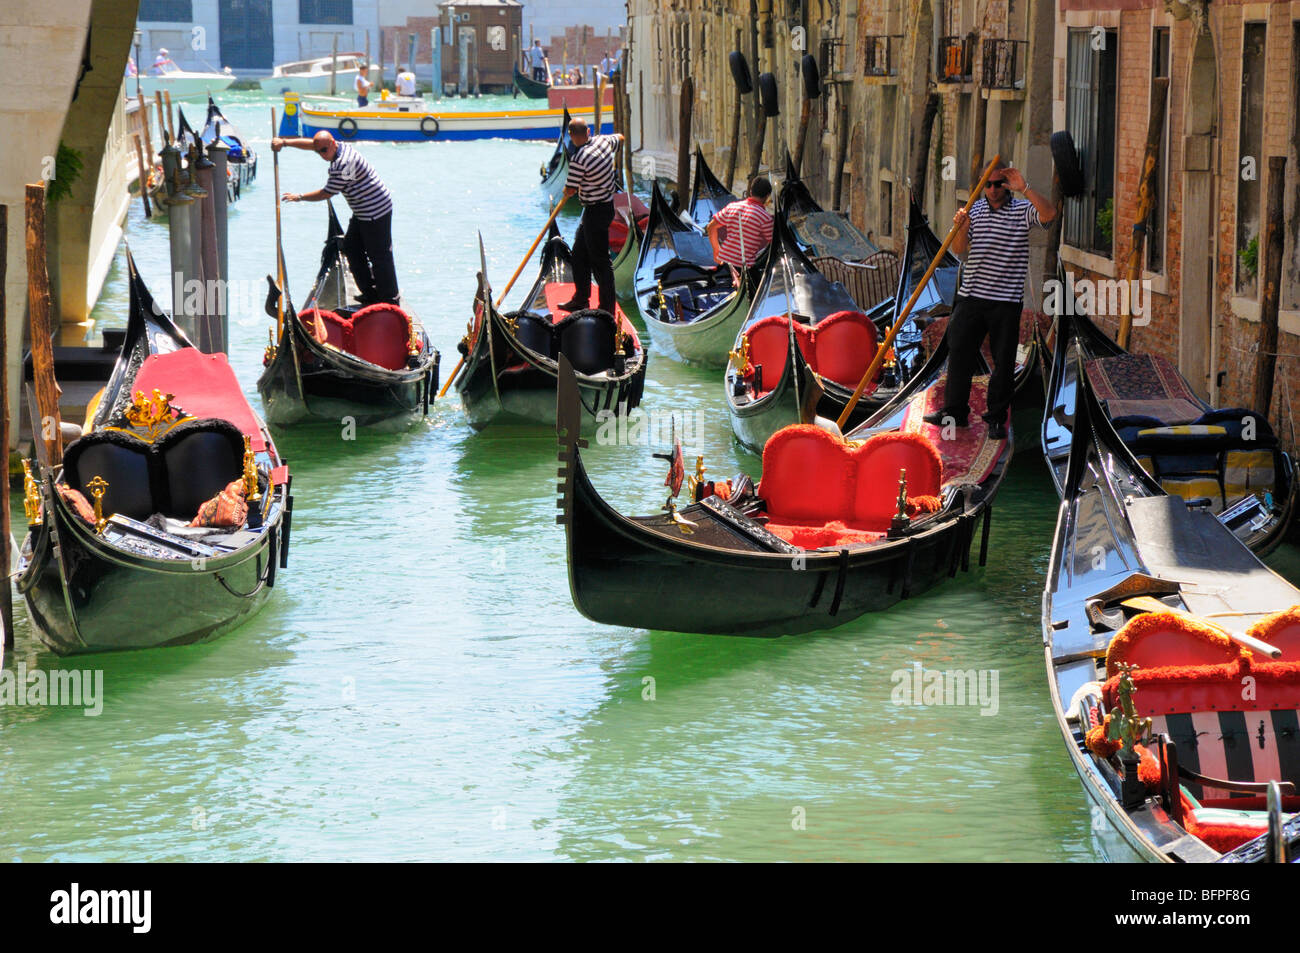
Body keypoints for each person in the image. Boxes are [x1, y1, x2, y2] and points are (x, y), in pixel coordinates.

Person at [922, 161, 1054, 440]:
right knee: (959, 352)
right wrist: (961, 228)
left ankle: (996, 419)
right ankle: (955, 412)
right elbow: (960, 252)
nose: (993, 190)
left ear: (1007, 184)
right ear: (982, 185)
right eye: (988, 184)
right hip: (971, 296)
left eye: (998, 184)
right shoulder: (973, 210)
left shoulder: (1021, 211)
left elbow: (1050, 213)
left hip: (1005, 301)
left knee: (1003, 362)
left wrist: (1025, 188)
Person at [271, 130, 399, 306]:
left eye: (324, 150)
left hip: (375, 211)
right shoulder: (334, 147)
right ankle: (370, 292)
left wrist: (299, 197)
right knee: (351, 248)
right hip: (362, 210)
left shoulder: (343, 164)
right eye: (318, 152)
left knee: (380, 256)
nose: (322, 155)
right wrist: (284, 142)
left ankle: (390, 301)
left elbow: (327, 193)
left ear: (332, 144)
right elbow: (313, 144)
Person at [559, 118, 624, 314]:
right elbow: (620, 138)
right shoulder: (604, 141)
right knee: (579, 255)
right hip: (603, 207)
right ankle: (581, 299)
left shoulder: (579, 159)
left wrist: (566, 189)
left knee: (601, 262)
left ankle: (607, 310)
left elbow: (570, 190)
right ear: (588, 131)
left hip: (595, 212)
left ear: (571, 136)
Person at [705, 175, 774, 286]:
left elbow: (710, 227)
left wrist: (716, 251)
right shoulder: (765, 218)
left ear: (750, 191)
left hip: (725, 263)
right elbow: (774, 245)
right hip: (745, 267)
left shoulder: (732, 207)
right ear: (767, 196)